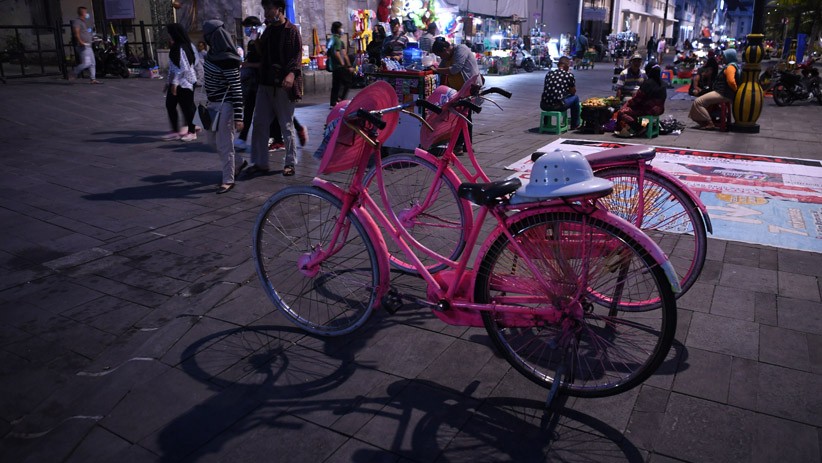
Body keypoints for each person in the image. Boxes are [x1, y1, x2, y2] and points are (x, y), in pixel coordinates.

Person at [246, 0, 303, 178]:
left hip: (283, 85)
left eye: (269, 8)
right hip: (265, 82)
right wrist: (256, 41)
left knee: (286, 125)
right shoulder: (268, 30)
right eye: (265, 9)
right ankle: (260, 163)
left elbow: (296, 56)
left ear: (279, 9)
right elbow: (263, 54)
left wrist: (291, 74)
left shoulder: (292, 30)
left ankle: (290, 162)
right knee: (260, 123)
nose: (266, 13)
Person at [202, 20, 244, 194]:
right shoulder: (212, 54)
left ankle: (228, 179)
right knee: (211, 141)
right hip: (211, 104)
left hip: (225, 106)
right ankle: (239, 163)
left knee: (224, 144)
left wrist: (239, 116)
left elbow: (236, 88)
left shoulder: (227, 59)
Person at [431, 38, 481, 153]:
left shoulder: (461, 49)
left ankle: (462, 145)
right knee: (460, 116)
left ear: (445, 49)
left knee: (464, 116)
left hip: (469, 88)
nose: (441, 57)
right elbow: (441, 67)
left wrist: (438, 70)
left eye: (441, 54)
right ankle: (464, 145)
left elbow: (455, 69)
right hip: (458, 91)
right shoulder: (447, 57)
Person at [162, 23, 199, 142]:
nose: (168, 35)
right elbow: (173, 67)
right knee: (170, 104)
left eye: (169, 32)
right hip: (178, 82)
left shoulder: (181, 47)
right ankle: (175, 131)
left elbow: (183, 68)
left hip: (185, 82)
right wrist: (169, 82)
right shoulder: (180, 46)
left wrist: (174, 83)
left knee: (187, 107)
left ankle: (192, 132)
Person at [689, 48, 740, 130]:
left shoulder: (730, 67)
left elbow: (731, 81)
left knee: (698, 102)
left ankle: (709, 123)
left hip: (723, 93)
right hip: (722, 92)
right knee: (702, 102)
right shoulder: (732, 65)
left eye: (724, 56)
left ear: (729, 57)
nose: (722, 58)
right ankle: (704, 122)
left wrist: (736, 91)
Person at [614, 63, 667, 137]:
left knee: (622, 112)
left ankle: (638, 128)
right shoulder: (663, 84)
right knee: (635, 109)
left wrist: (627, 104)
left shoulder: (647, 84)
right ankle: (645, 125)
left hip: (647, 110)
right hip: (659, 110)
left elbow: (636, 100)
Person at [539, 55, 580, 130]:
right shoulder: (569, 75)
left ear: (558, 65)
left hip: (544, 105)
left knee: (552, 96)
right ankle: (575, 124)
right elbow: (573, 92)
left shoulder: (549, 74)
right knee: (575, 98)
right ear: (567, 66)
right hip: (558, 105)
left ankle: (546, 122)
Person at [70, 6, 101, 84]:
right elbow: (76, 33)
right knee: (86, 63)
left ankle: (93, 79)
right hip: (83, 46)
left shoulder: (85, 22)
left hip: (88, 46)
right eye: (85, 12)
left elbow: (88, 33)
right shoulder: (77, 22)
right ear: (82, 13)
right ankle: (74, 72)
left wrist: (93, 39)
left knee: (93, 63)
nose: (87, 14)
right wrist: (80, 41)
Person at [328, 21, 353, 107]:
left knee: (336, 84)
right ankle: (341, 99)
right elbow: (338, 53)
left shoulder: (331, 39)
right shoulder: (338, 40)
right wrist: (345, 64)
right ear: (338, 29)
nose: (342, 30)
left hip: (334, 66)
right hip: (339, 66)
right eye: (341, 28)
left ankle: (333, 102)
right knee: (347, 82)